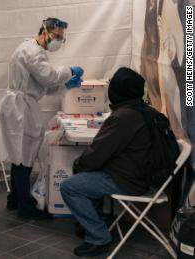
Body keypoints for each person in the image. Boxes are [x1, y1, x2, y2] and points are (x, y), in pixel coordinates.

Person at [60, 67, 152, 257]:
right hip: (139, 174)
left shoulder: (123, 117)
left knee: (70, 186)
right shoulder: (139, 109)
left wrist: (79, 164)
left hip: (128, 180)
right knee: (87, 174)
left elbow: (97, 154)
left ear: (119, 90)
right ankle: (92, 224)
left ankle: (98, 237)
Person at [0, 17, 84, 220]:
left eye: (61, 38)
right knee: (23, 155)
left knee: (19, 154)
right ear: (45, 31)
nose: (58, 41)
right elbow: (48, 77)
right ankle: (25, 207)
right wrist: (69, 71)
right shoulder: (31, 51)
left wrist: (65, 85)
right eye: (56, 36)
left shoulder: (33, 50)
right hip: (20, 108)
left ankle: (15, 199)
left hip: (21, 106)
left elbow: (43, 84)